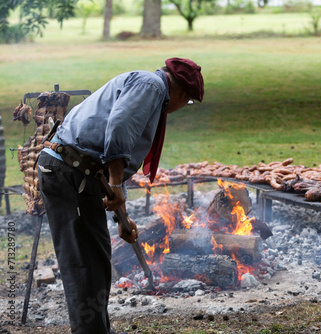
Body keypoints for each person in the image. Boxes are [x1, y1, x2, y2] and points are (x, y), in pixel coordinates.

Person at [37, 57, 204, 334]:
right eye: (186, 103)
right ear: (181, 92)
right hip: (70, 171)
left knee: (95, 260)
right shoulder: (151, 86)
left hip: (80, 172)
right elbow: (119, 130)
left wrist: (122, 215)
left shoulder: (148, 86)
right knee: (84, 263)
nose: (179, 109)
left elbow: (112, 158)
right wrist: (115, 187)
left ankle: (98, 330)